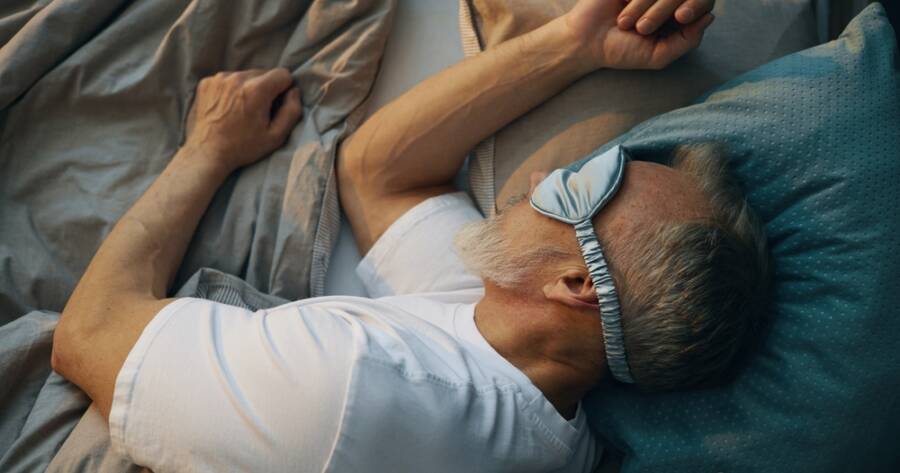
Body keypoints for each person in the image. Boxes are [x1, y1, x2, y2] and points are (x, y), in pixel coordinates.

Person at [51, 0, 768, 471]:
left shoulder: (358, 388)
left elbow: (87, 334)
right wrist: (577, 44)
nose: (546, 171)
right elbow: (379, 173)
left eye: (578, 189)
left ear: (575, 284)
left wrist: (206, 149)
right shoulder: (527, 380)